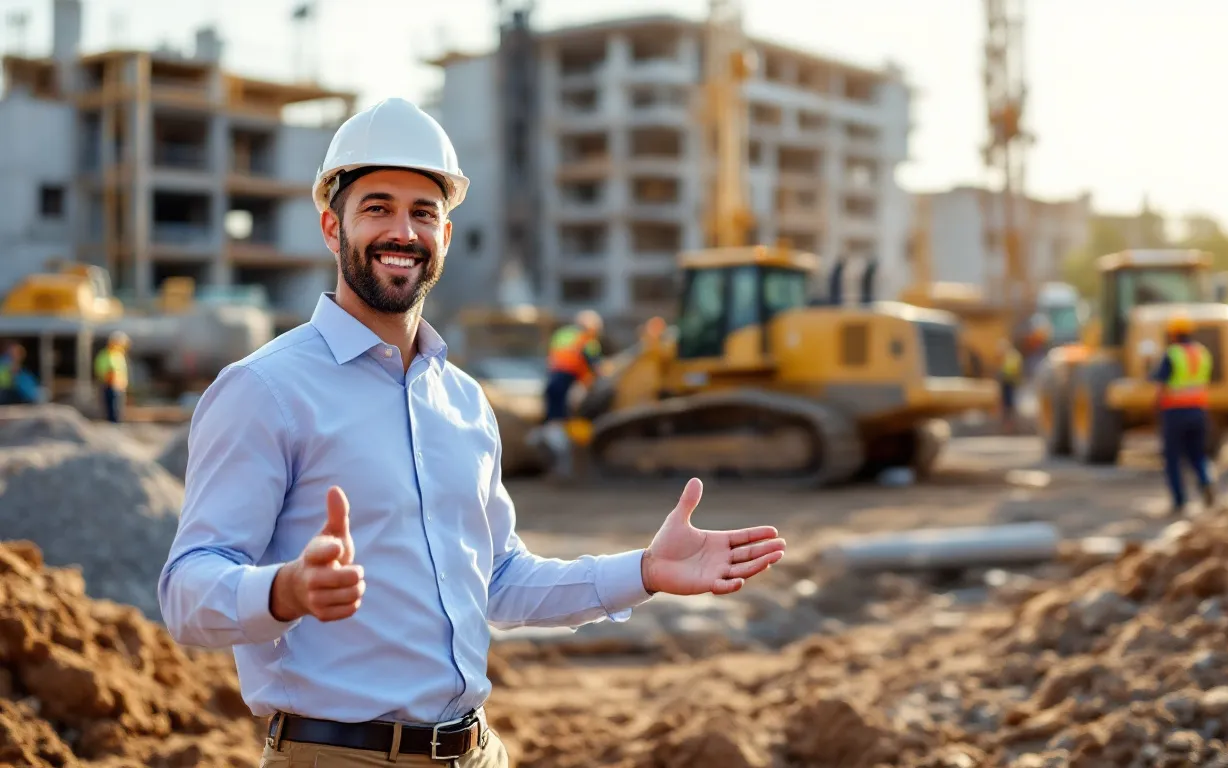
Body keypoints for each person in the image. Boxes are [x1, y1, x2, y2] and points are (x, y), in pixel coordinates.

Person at [156, 97, 786, 768]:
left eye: (423, 213)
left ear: (446, 238)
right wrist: (284, 591)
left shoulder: (463, 401)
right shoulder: (264, 390)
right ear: (330, 226)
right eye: (377, 207)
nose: (402, 231)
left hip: (478, 751)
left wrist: (645, 571)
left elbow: (499, 580)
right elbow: (186, 592)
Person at [1150, 314, 1216, 515]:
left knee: (1173, 458)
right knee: (1197, 454)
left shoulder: (1173, 354)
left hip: (1175, 413)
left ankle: (1179, 501)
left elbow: (1161, 384)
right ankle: (1206, 481)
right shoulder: (1202, 353)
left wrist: (1155, 406)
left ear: (1173, 333)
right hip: (1199, 411)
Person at [537, 309, 603, 479]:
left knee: (553, 420)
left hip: (552, 382)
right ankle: (565, 464)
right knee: (563, 422)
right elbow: (595, 367)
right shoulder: (588, 341)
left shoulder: (562, 334)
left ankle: (556, 458)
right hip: (567, 384)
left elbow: (552, 358)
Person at [94, 331, 130, 422]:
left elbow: (122, 372)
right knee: (111, 409)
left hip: (119, 387)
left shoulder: (119, 355)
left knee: (118, 410)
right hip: (109, 386)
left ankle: (116, 424)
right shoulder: (105, 355)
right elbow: (102, 371)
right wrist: (110, 380)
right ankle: (112, 425)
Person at [997, 339, 1022, 433]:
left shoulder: (1011, 356)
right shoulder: (1012, 355)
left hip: (1009, 383)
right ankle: (1009, 425)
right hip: (1009, 382)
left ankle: (1010, 426)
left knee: (1009, 405)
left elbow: (1011, 370)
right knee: (1008, 405)